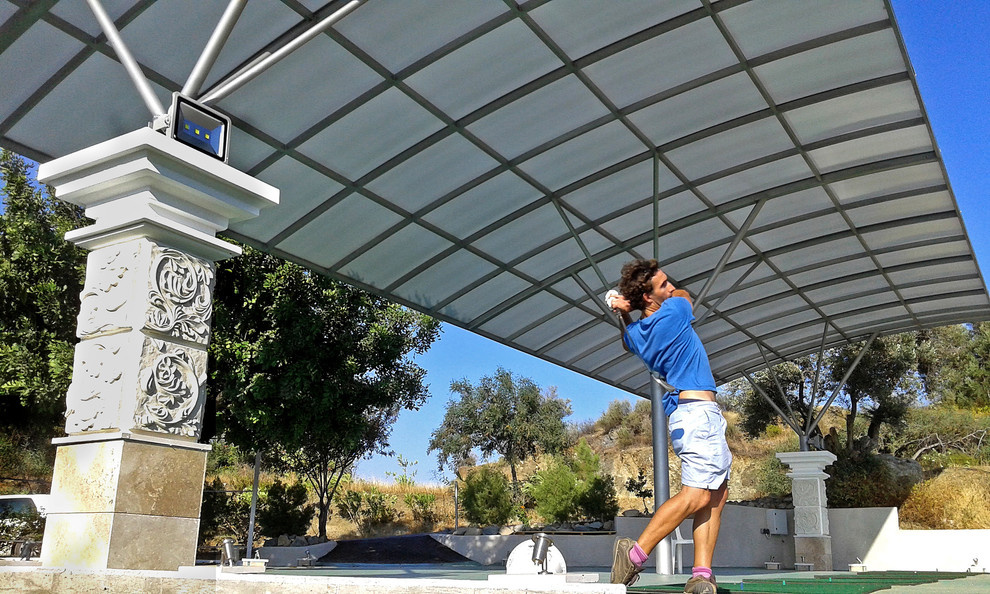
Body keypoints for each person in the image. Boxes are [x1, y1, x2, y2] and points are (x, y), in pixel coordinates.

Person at [605, 259, 731, 594]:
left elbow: (627, 340)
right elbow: (686, 296)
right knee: (698, 494)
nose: (670, 286)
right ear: (648, 297)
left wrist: (624, 312)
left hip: (690, 415)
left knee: (716, 495)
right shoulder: (674, 312)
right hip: (697, 414)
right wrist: (634, 304)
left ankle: (702, 575)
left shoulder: (636, 335)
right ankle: (634, 555)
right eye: (662, 285)